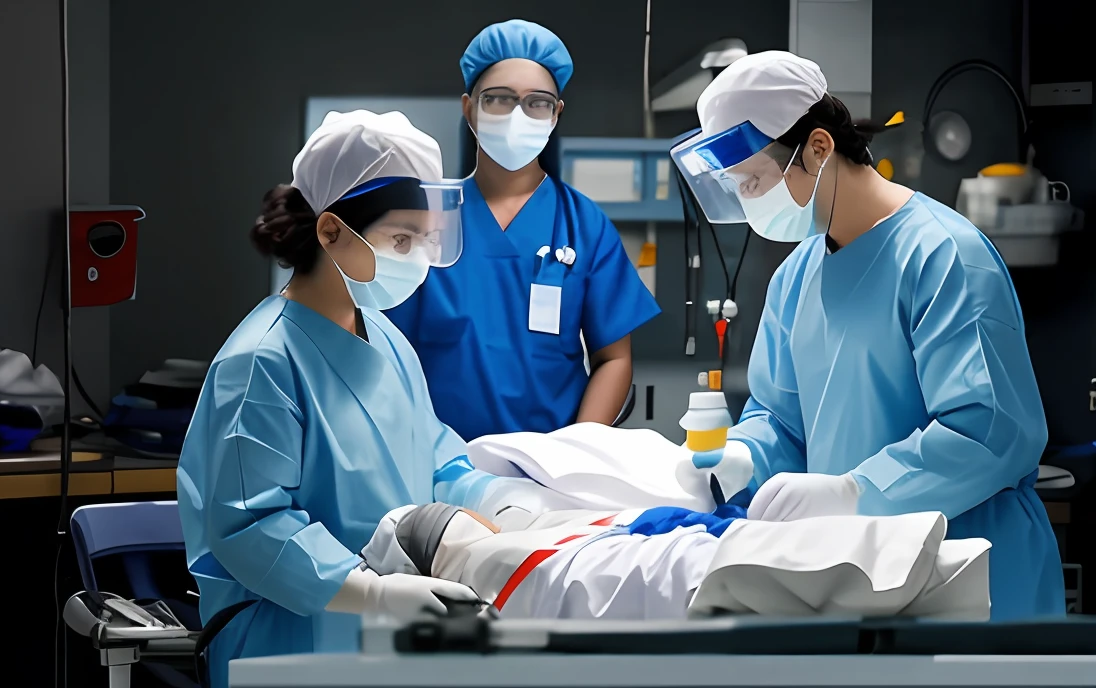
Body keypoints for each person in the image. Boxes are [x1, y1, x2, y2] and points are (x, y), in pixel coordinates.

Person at [177, 110, 572, 685]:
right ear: (331, 231)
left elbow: (434, 455)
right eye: (401, 238)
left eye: (428, 239)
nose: (416, 258)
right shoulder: (261, 361)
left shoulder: (384, 337)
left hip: (386, 643)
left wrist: (504, 504)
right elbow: (249, 528)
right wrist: (372, 593)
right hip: (289, 640)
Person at [669, 51, 1063, 621]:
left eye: (753, 179)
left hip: (973, 574)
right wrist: (743, 456)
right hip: (858, 574)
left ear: (819, 148)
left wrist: (857, 490)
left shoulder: (942, 255)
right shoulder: (796, 278)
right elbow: (781, 417)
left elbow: (990, 430)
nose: (751, 199)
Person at [385, 19, 660, 442]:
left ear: (556, 114)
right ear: (469, 107)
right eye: (498, 99)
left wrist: (575, 451)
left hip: (548, 467)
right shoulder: (425, 219)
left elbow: (614, 359)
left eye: (538, 102)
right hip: (438, 460)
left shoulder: (584, 225)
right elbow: (388, 351)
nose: (518, 115)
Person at [360, 502, 992, 621]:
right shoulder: (489, 557)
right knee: (802, 569)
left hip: (685, 564)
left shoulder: (528, 533)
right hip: (682, 582)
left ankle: (933, 571)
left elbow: (630, 529)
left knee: (801, 562)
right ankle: (933, 572)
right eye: (451, 513)